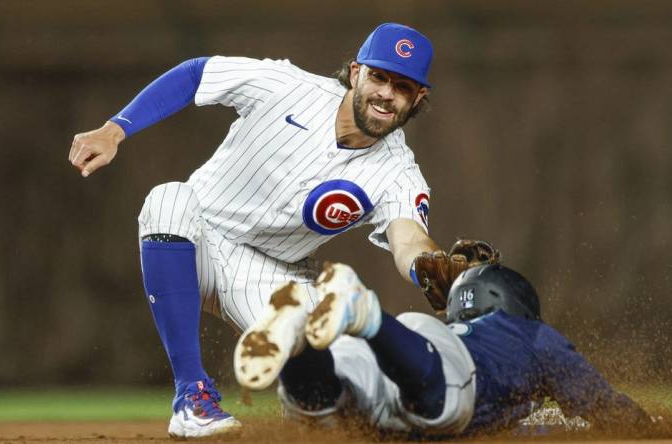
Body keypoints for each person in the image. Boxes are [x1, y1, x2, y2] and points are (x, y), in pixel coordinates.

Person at [68, 23, 447, 438]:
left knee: (338, 382)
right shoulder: (286, 85)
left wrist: (431, 267)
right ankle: (192, 396)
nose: (387, 94)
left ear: (418, 99)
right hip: (199, 241)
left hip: (274, 276)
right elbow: (198, 73)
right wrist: (115, 129)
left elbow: (409, 239)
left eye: (403, 87)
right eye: (379, 77)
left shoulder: (399, 171)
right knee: (168, 200)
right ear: (356, 73)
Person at [235, 262, 657, 437]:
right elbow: (602, 407)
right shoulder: (530, 337)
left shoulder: (457, 334)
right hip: (431, 363)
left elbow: (532, 428)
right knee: (440, 406)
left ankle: (298, 343)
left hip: (396, 348)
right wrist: (652, 426)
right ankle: (366, 312)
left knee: (324, 408)